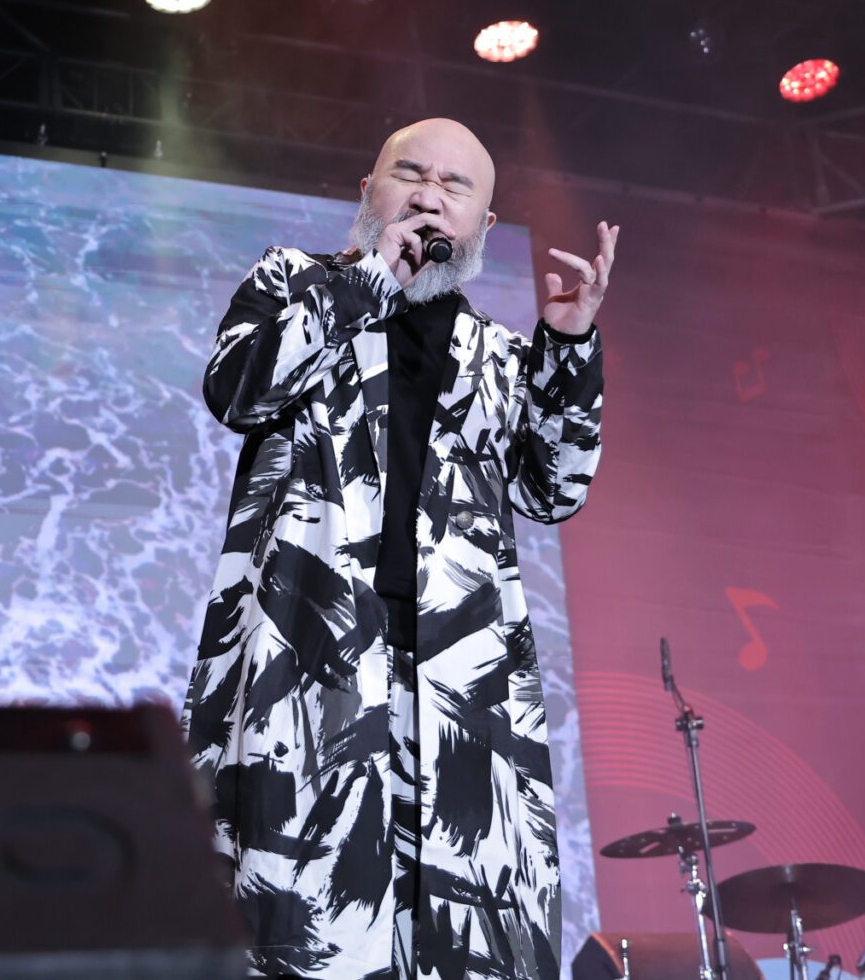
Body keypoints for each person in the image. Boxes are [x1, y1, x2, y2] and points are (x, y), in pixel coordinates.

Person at [183, 117, 616, 979]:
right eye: (409, 174)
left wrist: (569, 345)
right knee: (307, 925)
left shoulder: (499, 355)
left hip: (462, 692)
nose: (428, 195)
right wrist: (370, 280)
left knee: (465, 936)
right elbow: (238, 389)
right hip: (310, 673)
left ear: (484, 225)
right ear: (367, 191)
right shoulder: (293, 281)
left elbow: (554, 490)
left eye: (455, 185)